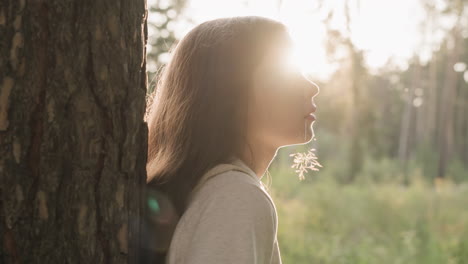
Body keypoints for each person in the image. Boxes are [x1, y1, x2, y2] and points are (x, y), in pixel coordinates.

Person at [142, 15, 319, 264]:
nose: (312, 87)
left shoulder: (212, 192)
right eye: (287, 73)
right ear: (232, 92)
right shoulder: (237, 198)